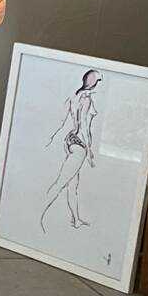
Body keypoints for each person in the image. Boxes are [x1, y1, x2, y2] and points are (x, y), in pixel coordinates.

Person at [40, 69, 102, 232]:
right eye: (99, 81)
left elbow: (60, 120)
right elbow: (84, 126)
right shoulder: (86, 99)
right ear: (94, 83)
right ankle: (37, 212)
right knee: (61, 182)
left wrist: (50, 138)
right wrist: (89, 151)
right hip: (80, 144)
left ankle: (76, 219)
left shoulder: (73, 97)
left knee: (72, 184)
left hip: (69, 140)